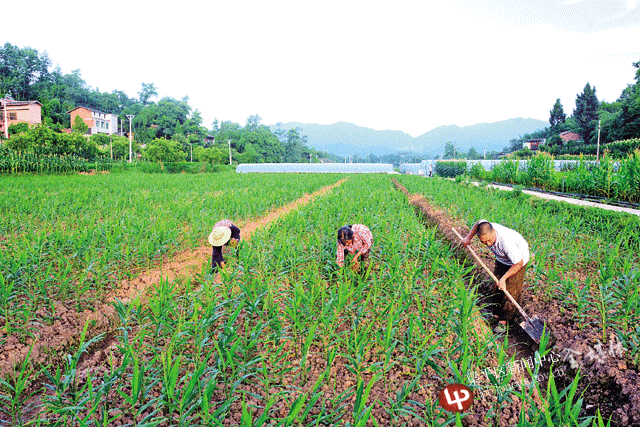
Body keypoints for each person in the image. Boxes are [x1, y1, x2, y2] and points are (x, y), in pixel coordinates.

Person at [461, 220, 530, 323]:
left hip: (518, 261)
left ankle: (504, 320)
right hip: (502, 258)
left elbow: (518, 263)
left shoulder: (506, 242)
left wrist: (504, 278)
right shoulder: (484, 227)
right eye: (483, 241)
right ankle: (496, 314)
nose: (488, 244)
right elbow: (479, 222)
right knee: (496, 285)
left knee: (511, 290)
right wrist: (468, 238)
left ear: (493, 232)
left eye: (489, 240)